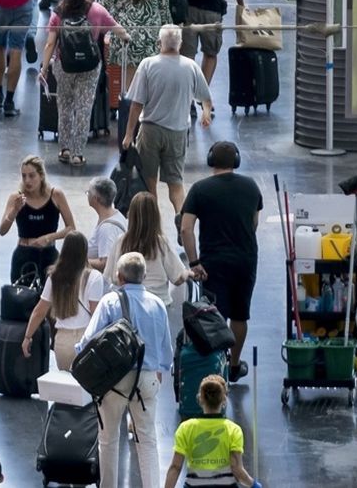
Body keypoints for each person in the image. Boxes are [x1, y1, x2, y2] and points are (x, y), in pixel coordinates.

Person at [76, 252, 173, 488]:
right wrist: (158, 370)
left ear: (119, 277)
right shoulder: (158, 304)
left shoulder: (110, 302)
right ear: (144, 276)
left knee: (108, 440)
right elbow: (166, 349)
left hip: (114, 381)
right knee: (147, 440)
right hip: (147, 379)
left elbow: (88, 341)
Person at [180, 141, 262, 382]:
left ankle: (217, 367)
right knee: (240, 315)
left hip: (212, 263)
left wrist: (194, 262)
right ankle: (235, 365)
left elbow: (186, 228)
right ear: (236, 161)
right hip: (245, 258)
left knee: (215, 314)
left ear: (210, 160)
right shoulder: (251, 186)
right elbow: (254, 223)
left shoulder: (200, 189)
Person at [121, 25, 214, 218]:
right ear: (180, 43)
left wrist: (129, 134)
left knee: (149, 182)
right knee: (176, 183)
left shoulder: (148, 65)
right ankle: (181, 215)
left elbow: (136, 104)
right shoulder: (191, 66)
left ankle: (153, 225)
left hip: (150, 130)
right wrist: (205, 113)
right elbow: (206, 98)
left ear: (159, 43)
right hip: (178, 132)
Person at [38, 0, 129, 166]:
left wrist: (44, 69)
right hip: (90, 66)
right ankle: (78, 153)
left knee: (64, 107)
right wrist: (127, 38)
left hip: (64, 65)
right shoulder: (96, 10)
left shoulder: (59, 12)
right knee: (83, 109)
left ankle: (64, 149)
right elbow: (118, 30)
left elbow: (50, 44)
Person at [21, 230, 104, 370]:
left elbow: (39, 311)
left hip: (62, 341)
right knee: (86, 388)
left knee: (66, 387)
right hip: (86, 340)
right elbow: (96, 314)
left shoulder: (54, 277)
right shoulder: (94, 277)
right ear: (85, 251)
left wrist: (27, 337)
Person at [163, 376, 260, 488]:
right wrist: (254, 485)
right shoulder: (233, 430)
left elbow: (175, 467)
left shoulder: (185, 428)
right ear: (224, 400)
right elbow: (237, 469)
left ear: (200, 398)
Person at [0, 154, 76, 283]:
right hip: (24, 254)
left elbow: (71, 228)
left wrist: (49, 238)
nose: (27, 180)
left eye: (31, 175)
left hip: (49, 254)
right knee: (22, 299)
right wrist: (14, 210)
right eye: (24, 176)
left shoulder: (56, 195)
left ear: (41, 175)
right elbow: (2, 230)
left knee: (51, 299)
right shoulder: (16, 198)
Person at [103, 192, 188, 308]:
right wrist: (189, 273)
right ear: (156, 216)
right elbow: (178, 278)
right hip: (157, 304)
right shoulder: (161, 243)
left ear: (131, 215)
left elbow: (108, 277)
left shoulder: (121, 242)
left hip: (127, 305)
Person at [87, 176, 126, 271]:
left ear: (96, 199)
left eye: (89, 192)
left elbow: (105, 263)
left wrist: (81, 261)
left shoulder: (107, 228)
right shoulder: (116, 214)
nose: (87, 194)